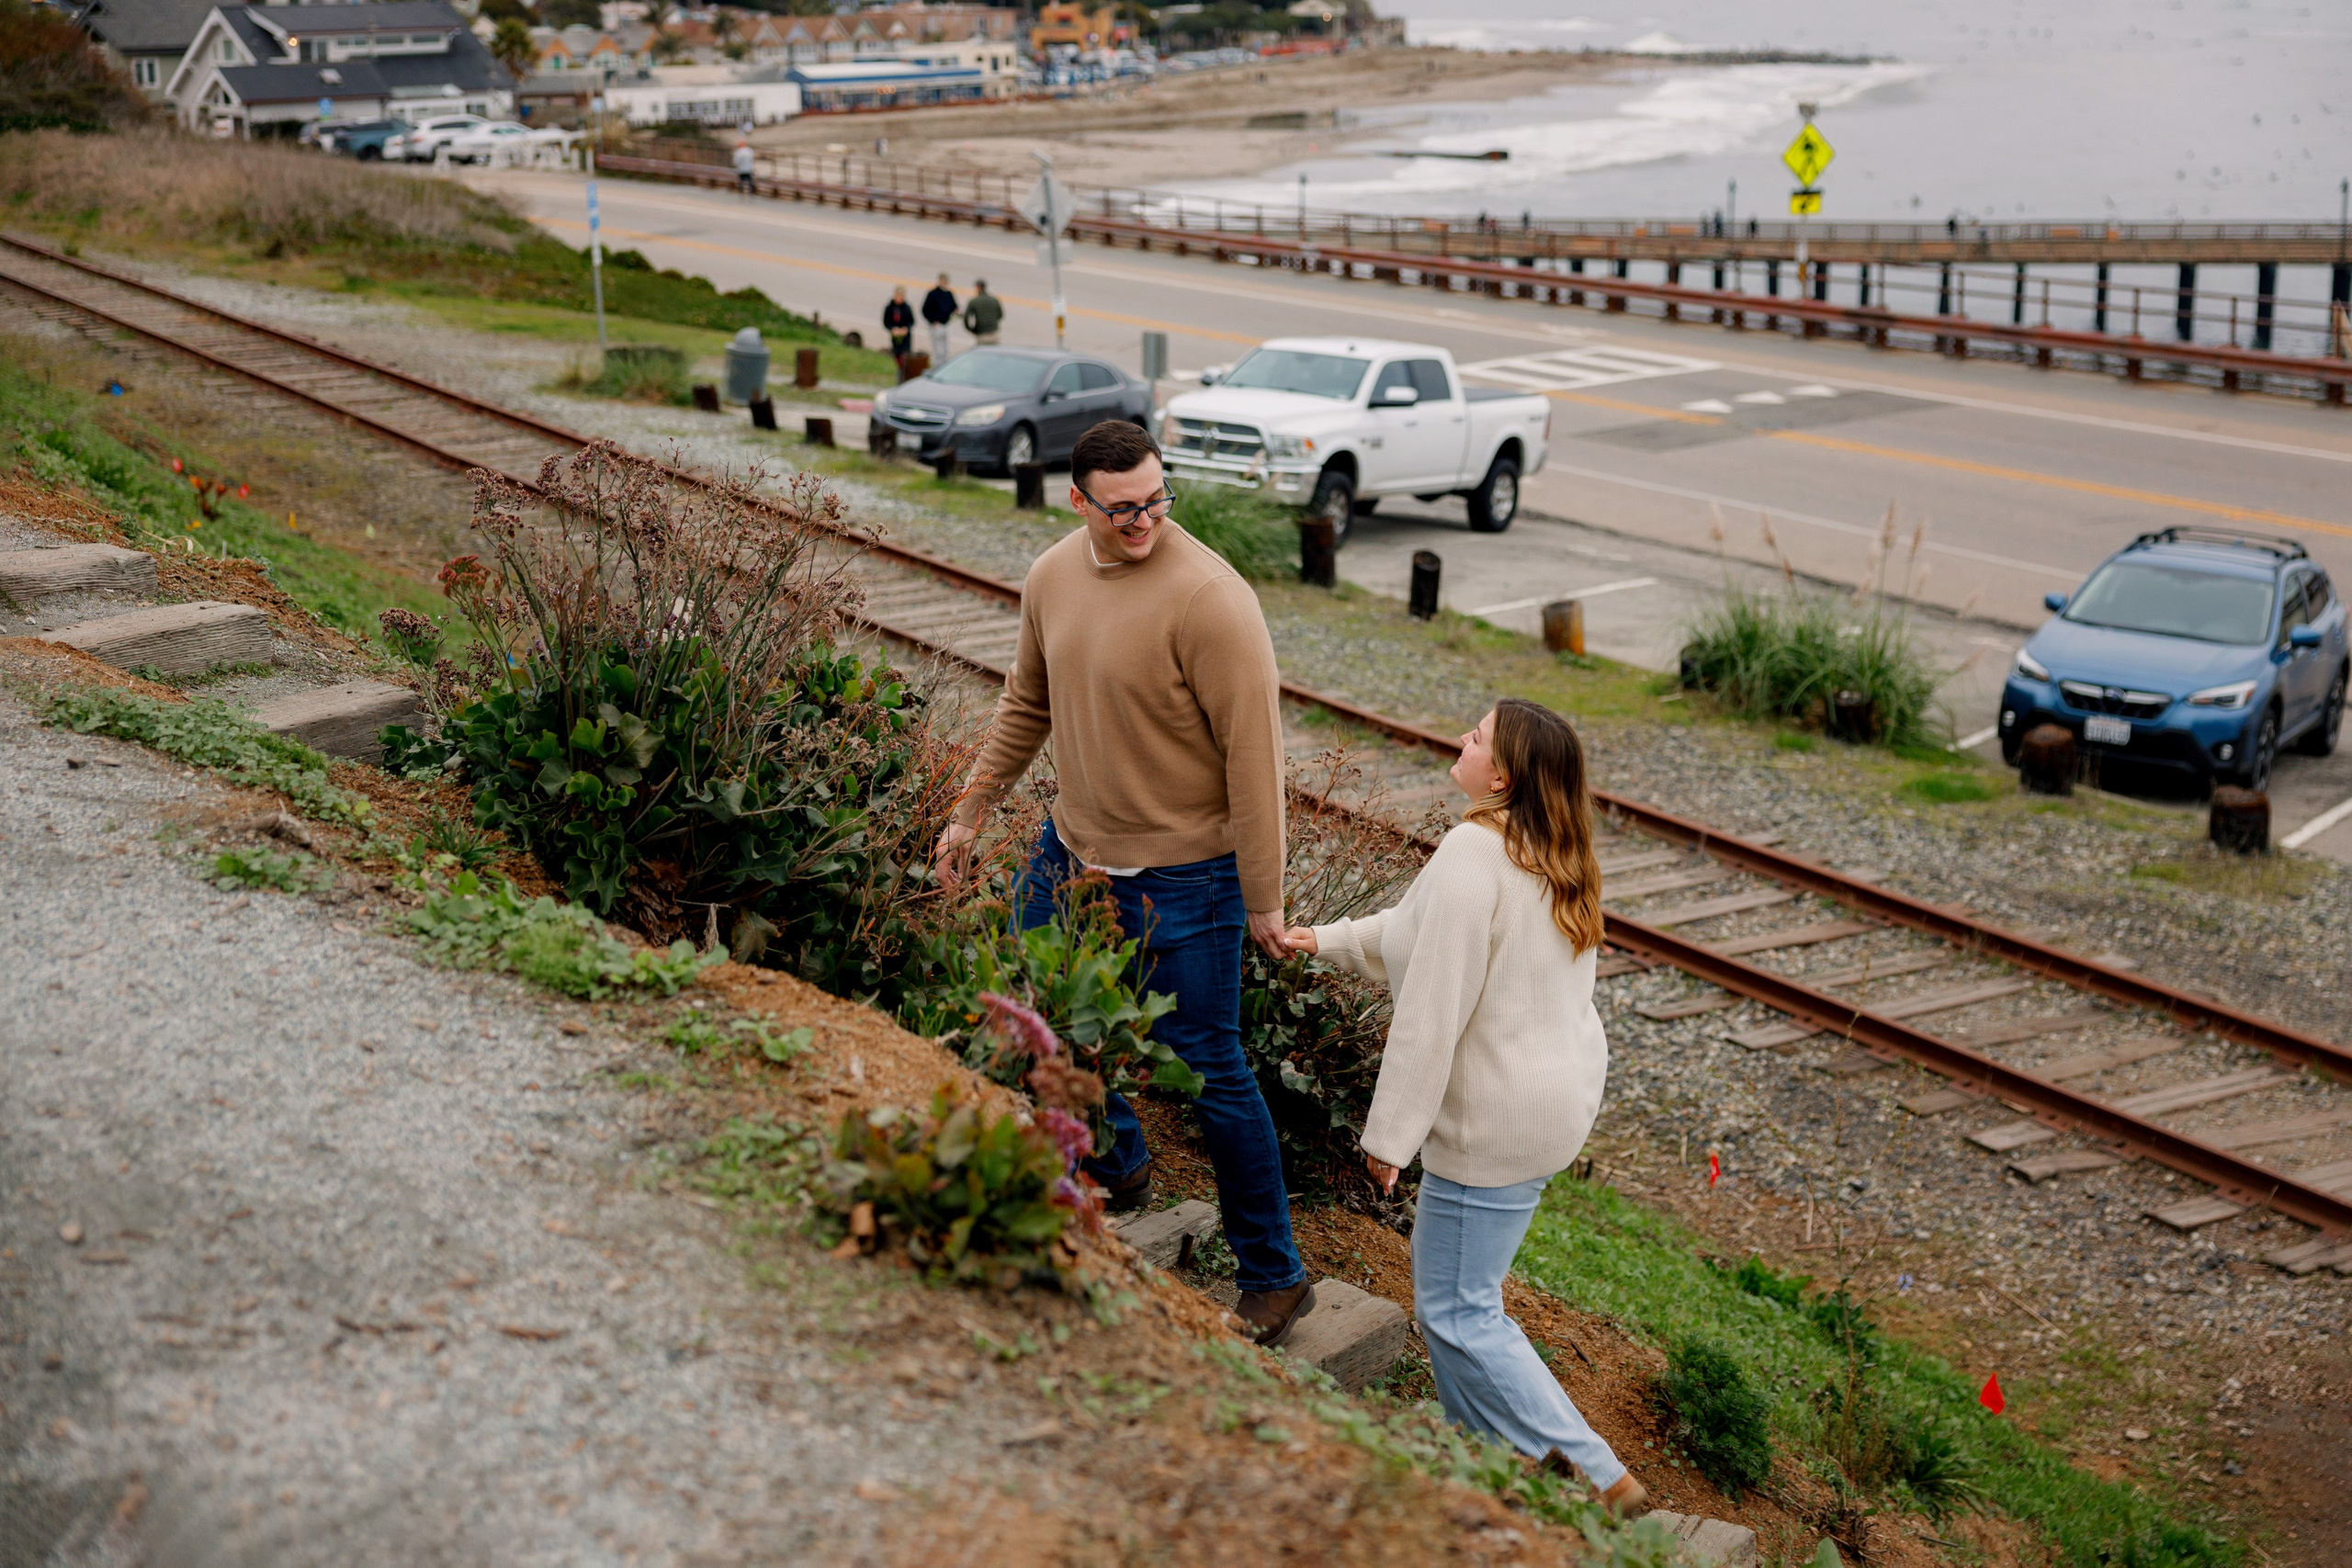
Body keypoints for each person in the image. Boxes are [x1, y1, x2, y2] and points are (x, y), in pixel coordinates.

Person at [934, 420, 1315, 1348]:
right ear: (1080, 502)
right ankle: (1117, 1161)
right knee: (1039, 1011)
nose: (1143, 519)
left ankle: (1275, 1276)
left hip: (1191, 879)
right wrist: (972, 810)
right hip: (1071, 854)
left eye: (1156, 500)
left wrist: (1262, 896)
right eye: (1123, 507)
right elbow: (1027, 701)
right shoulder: (1054, 576)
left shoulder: (1209, 601)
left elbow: (1254, 761)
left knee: (1212, 1072)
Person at [1282, 698, 1649, 1517]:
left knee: (1458, 1310)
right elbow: (1416, 936)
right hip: (1545, 1111)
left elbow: (1431, 1010)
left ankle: (1600, 1476)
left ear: (1504, 774)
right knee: (1457, 1306)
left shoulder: (1470, 855)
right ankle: (1486, 1465)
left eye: (1477, 736)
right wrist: (1322, 939)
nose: (1462, 739)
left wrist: (1390, 1138)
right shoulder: (1552, 855)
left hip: (1491, 1120)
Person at [921, 272, 958, 366]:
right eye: (943, 281)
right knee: (938, 351)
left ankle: (945, 368)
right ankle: (936, 367)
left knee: (946, 350)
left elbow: (954, 307)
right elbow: (925, 310)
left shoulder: (949, 294)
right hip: (936, 326)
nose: (945, 284)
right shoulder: (933, 294)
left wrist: (956, 313)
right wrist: (932, 321)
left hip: (946, 324)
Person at [962, 279, 1002, 344]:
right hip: (993, 334)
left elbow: (966, 317)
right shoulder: (994, 300)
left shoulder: (974, 301)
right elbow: (1000, 315)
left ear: (978, 287)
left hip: (981, 334)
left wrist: (972, 329)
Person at [882, 286, 915, 367]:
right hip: (896, 336)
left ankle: (903, 370)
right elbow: (886, 322)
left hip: (905, 337)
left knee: (905, 355)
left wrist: (906, 328)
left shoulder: (907, 308)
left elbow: (912, 321)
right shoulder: (890, 308)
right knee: (897, 354)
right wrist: (892, 329)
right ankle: (899, 368)